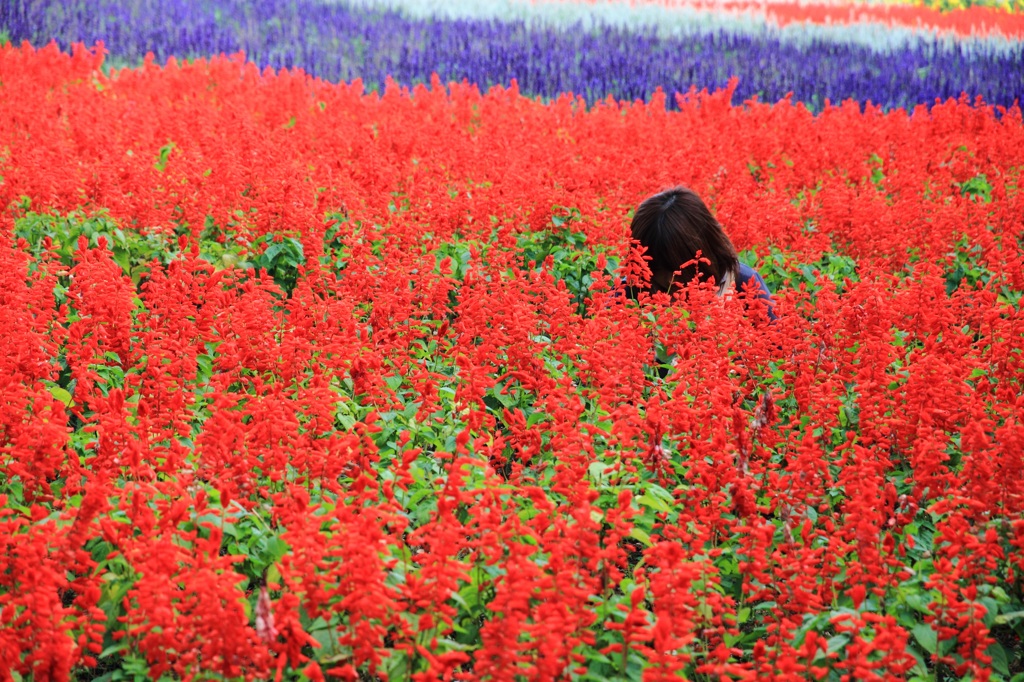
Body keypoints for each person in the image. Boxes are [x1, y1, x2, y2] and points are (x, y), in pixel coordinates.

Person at [627, 186, 776, 321]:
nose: (670, 281)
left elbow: (777, 346)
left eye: (675, 268)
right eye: (658, 269)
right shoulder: (628, 292)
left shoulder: (744, 283)